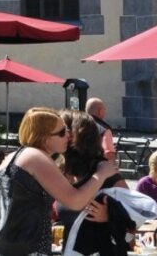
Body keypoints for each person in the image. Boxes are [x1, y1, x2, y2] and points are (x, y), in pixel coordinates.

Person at [0, 106, 118, 256]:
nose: (68, 135)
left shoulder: (18, 155)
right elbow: (75, 201)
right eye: (61, 132)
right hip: (19, 247)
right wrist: (101, 174)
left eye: (67, 130)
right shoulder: (36, 157)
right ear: (44, 138)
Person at [56, 110, 130, 256]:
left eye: (62, 130)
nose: (57, 134)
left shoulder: (105, 170)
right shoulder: (59, 169)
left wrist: (110, 216)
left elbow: (136, 211)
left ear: (74, 136)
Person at [85, 97, 116, 162]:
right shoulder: (104, 129)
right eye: (104, 109)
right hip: (96, 167)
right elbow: (108, 153)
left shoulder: (78, 124)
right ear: (100, 111)